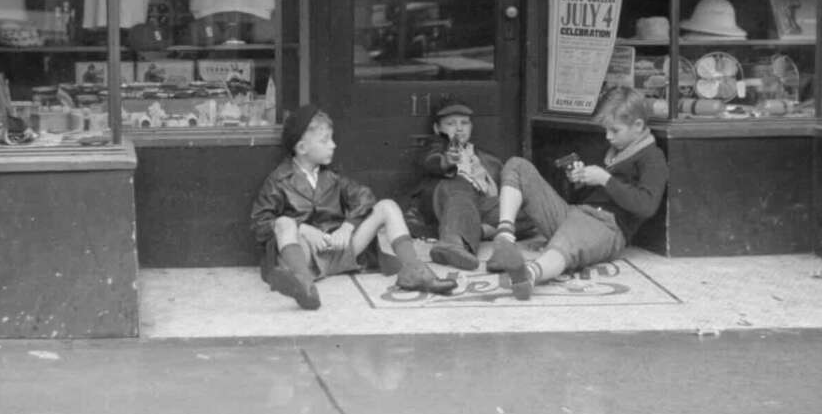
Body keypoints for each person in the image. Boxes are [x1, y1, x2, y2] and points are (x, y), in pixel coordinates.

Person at [251, 104, 458, 310]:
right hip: (307, 257)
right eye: (325, 140)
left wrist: (347, 227)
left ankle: (414, 270)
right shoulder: (278, 180)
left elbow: (365, 197)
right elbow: (260, 223)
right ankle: (303, 285)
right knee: (284, 223)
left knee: (388, 206)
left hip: (341, 250)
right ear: (302, 148)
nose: (333, 145)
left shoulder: (331, 177)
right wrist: (302, 229)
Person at [486, 86, 668, 300]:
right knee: (517, 166)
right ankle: (505, 237)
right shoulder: (616, 150)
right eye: (606, 130)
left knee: (568, 241)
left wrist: (605, 179)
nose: (608, 136)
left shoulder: (652, 158)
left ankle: (529, 275)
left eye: (615, 130)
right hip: (575, 214)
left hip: (607, 226)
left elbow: (646, 205)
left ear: (638, 125)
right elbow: (593, 195)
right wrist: (580, 180)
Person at [412, 97, 504, 271]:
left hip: (481, 208)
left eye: (465, 123)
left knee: (520, 204)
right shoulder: (436, 147)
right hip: (448, 201)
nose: (459, 128)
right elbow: (431, 160)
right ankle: (453, 242)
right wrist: (447, 161)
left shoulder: (487, 158)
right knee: (460, 184)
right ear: (437, 128)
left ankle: (476, 230)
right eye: (451, 123)